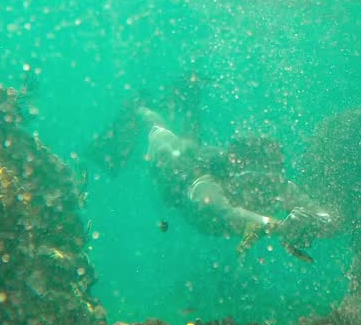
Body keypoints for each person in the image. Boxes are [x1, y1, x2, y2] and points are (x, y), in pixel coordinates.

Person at [138, 107, 341, 261]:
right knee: (164, 138)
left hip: (202, 172)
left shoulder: (274, 183)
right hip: (196, 203)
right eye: (262, 169)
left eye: (273, 169)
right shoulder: (205, 184)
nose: (268, 177)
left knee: (184, 139)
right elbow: (226, 213)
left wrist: (320, 221)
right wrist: (280, 227)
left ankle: (181, 103)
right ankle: (145, 112)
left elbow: (320, 215)